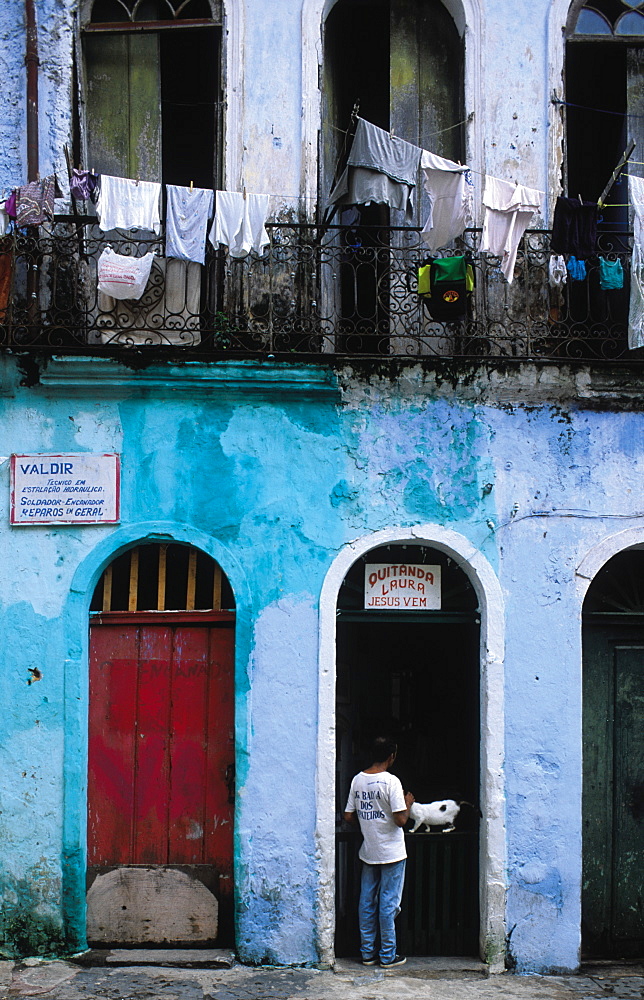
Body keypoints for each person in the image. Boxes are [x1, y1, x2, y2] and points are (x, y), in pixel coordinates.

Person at [343, 736, 414, 968]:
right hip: (392, 852)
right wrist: (408, 802)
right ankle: (387, 955)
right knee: (388, 904)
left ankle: (367, 953)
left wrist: (366, 828)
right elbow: (401, 819)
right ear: (391, 756)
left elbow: (348, 816)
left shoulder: (357, 780)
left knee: (367, 902)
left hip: (369, 851)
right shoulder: (391, 782)